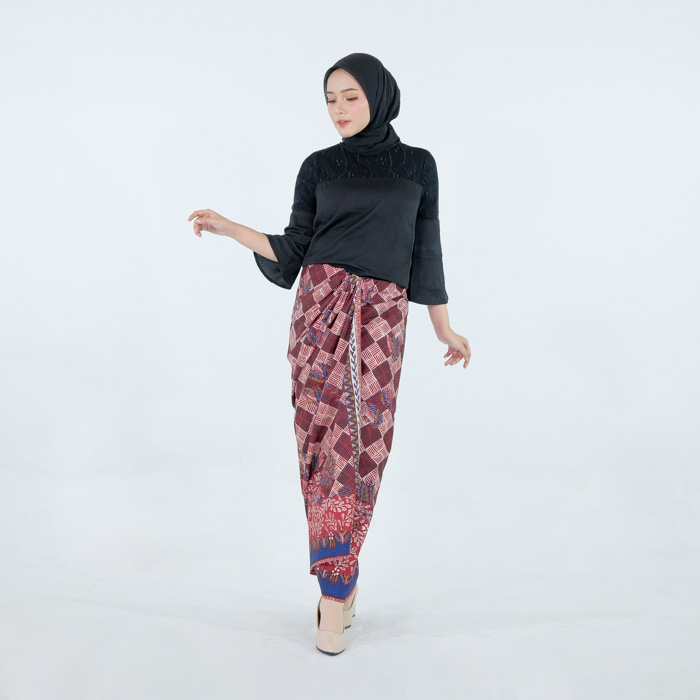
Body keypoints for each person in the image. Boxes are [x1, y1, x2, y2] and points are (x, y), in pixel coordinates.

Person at [188, 52, 471, 656]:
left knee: (364, 448)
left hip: (383, 321)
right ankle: (335, 593)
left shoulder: (418, 165)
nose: (338, 109)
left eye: (350, 97)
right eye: (330, 99)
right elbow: (293, 249)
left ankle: (340, 576)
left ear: (379, 96)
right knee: (324, 450)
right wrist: (231, 228)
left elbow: (427, 250)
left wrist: (444, 328)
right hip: (319, 316)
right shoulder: (318, 167)